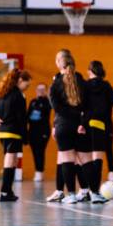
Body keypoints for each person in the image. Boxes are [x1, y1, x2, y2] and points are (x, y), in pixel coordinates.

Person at [0, 68, 31, 202]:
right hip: (13, 132)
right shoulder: (18, 96)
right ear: (20, 80)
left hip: (2, 132)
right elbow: (22, 118)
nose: (27, 88)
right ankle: (4, 192)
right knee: (10, 160)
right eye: (27, 85)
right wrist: (25, 137)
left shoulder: (2, 92)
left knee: (13, 160)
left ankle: (8, 190)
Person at [46, 49, 87, 204]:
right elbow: (85, 103)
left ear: (59, 62)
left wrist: (57, 124)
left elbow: (56, 107)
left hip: (64, 124)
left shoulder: (56, 82)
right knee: (79, 159)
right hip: (77, 125)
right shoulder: (80, 80)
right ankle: (86, 190)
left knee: (67, 159)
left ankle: (70, 193)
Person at [83, 60, 113, 203]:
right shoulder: (106, 86)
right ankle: (94, 192)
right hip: (100, 125)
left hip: (85, 125)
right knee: (97, 158)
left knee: (84, 159)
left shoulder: (85, 85)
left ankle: (84, 190)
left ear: (90, 71)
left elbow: (81, 104)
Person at [27, 83, 52, 183]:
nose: (40, 91)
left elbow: (46, 112)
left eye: (43, 89)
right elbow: (28, 115)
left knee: (40, 151)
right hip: (32, 131)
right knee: (34, 151)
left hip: (43, 131)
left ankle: (40, 171)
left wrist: (46, 95)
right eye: (38, 89)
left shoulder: (47, 102)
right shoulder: (33, 101)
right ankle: (37, 170)